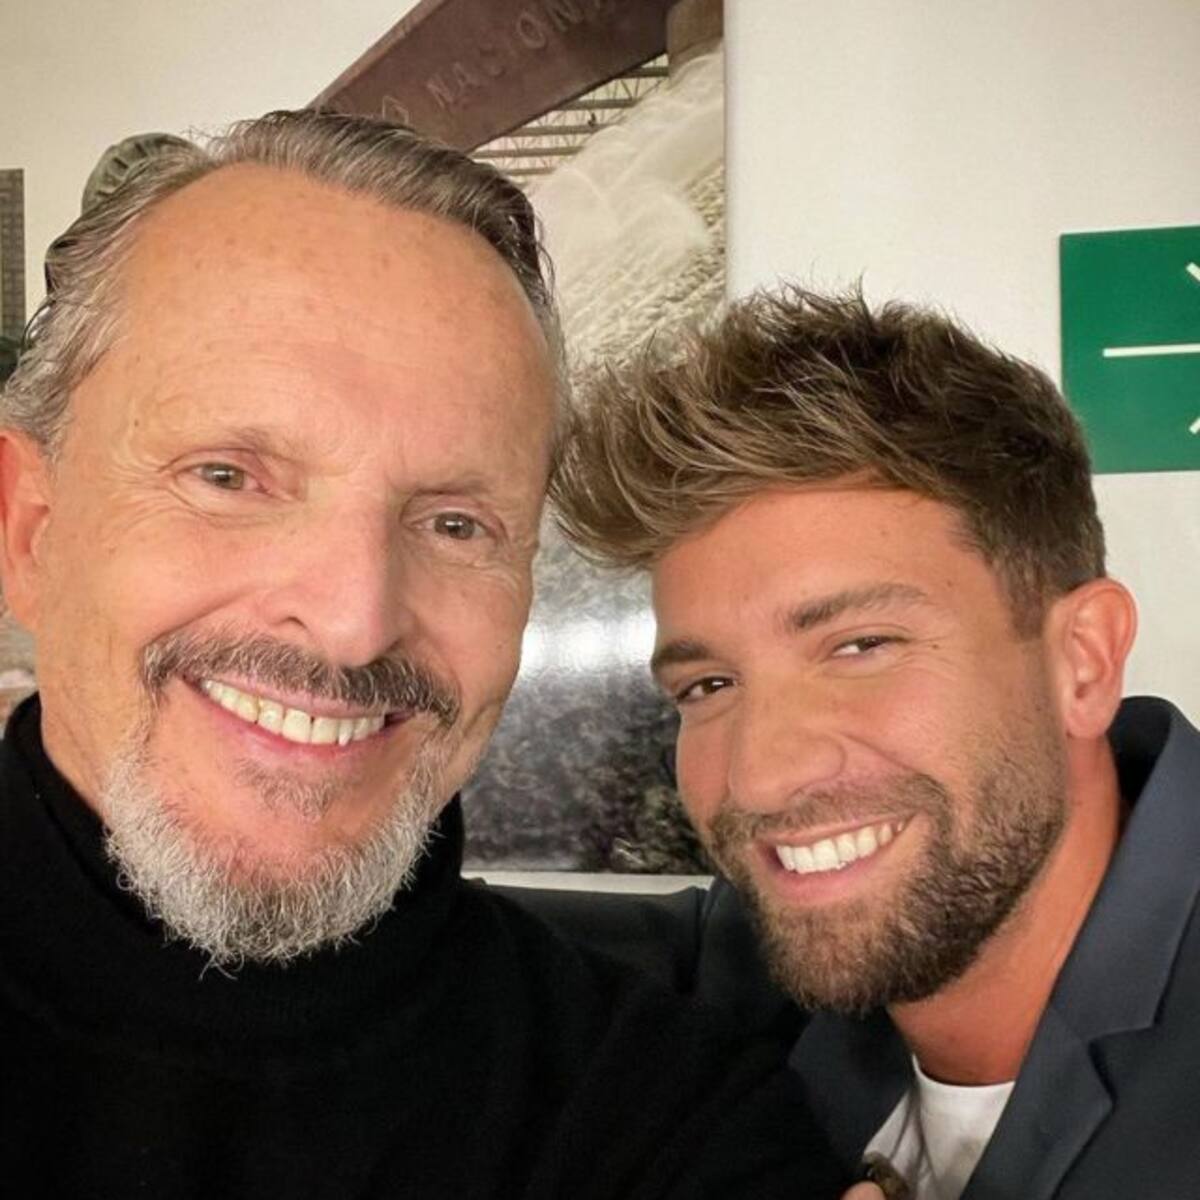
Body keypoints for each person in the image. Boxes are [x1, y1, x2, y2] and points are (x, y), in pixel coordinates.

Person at [0, 112, 863, 1199]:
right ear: (30, 531)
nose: (355, 623)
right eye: (229, 477)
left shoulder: (656, 1115)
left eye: (457, 524)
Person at [551, 286, 1200, 1199]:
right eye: (709, 687)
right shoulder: (757, 971)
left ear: (1081, 663)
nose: (762, 775)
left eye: (860, 647)